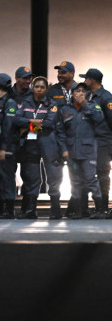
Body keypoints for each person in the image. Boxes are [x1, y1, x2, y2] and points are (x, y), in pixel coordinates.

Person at [56, 84, 104, 219]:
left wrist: (84, 104)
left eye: (83, 91)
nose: (80, 93)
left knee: (91, 180)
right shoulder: (65, 110)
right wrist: (64, 149)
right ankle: (78, 210)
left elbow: (99, 118)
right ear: (72, 94)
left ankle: (100, 209)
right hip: (71, 151)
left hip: (88, 151)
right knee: (75, 181)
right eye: (77, 91)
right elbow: (60, 132)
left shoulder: (93, 106)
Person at [14, 76, 58, 219]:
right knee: (32, 177)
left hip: (47, 143)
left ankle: (55, 209)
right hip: (31, 145)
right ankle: (30, 210)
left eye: (42, 87)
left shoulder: (52, 104)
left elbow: (50, 124)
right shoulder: (25, 102)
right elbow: (16, 119)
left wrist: (28, 128)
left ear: (46, 89)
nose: (39, 89)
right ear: (33, 88)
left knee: (52, 175)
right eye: (37, 86)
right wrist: (32, 121)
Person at [81, 68, 112, 217]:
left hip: (104, 141)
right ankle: (98, 207)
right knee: (93, 174)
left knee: (102, 173)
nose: (84, 81)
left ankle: (103, 207)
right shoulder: (89, 96)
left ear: (92, 80)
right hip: (92, 141)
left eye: (86, 78)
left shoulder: (106, 97)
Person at [0, 73, 20, 219]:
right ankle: (1, 208)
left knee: (8, 177)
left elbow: (8, 126)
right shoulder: (0, 102)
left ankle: (9, 209)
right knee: (0, 177)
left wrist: (3, 147)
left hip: (7, 147)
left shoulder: (10, 103)